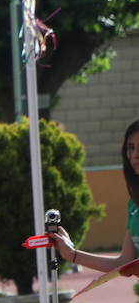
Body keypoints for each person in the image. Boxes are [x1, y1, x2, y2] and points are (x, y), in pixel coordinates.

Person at [51, 118, 139, 278]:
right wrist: (71, 254)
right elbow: (124, 264)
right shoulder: (134, 204)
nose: (135, 155)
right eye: (131, 148)